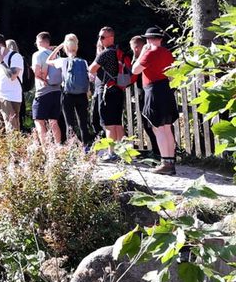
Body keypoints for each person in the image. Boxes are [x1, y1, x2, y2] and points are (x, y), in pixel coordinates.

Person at [133, 27, 179, 175]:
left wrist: (142, 54)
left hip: (153, 90)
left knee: (158, 128)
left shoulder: (150, 53)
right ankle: (170, 162)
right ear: (160, 39)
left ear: (149, 39)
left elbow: (135, 70)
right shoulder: (167, 53)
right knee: (167, 127)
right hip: (166, 89)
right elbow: (173, 73)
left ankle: (165, 162)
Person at [88, 26, 130, 159]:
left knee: (108, 124)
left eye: (102, 37)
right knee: (117, 122)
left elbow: (92, 69)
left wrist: (98, 53)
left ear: (111, 38)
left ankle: (111, 153)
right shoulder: (119, 52)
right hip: (118, 90)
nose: (99, 40)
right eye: (99, 37)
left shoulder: (105, 53)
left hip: (107, 91)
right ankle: (123, 151)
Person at [46, 34, 92, 147]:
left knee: (70, 124)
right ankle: (85, 147)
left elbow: (48, 60)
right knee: (83, 123)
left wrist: (58, 47)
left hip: (68, 95)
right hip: (82, 95)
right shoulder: (84, 62)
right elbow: (88, 78)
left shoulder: (63, 61)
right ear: (77, 47)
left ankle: (72, 148)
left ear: (65, 48)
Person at [30, 33, 64, 146]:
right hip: (57, 91)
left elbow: (36, 72)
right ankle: (58, 146)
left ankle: (46, 149)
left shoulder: (38, 55)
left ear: (39, 41)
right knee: (53, 121)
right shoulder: (57, 56)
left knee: (39, 121)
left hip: (43, 91)